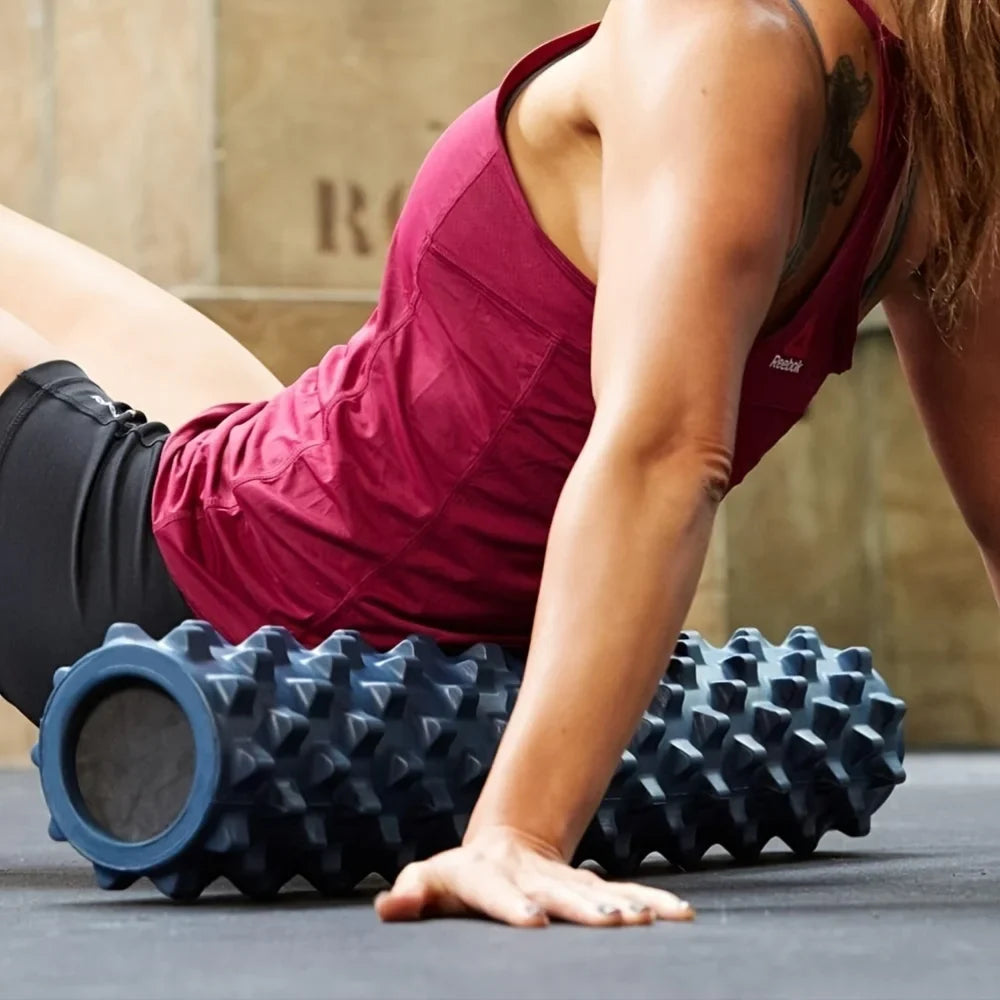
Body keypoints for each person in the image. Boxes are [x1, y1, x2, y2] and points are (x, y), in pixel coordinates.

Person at [0, 0, 995, 927]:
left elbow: (665, 453)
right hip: (274, 503)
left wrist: (518, 833)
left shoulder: (734, 38)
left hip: (211, 604)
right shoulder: (923, 122)